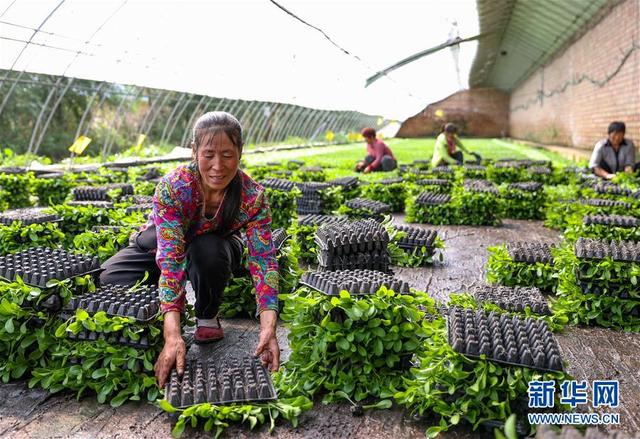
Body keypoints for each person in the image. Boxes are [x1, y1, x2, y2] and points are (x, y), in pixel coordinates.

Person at [99, 111, 280, 387]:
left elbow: (263, 261)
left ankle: (207, 314)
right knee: (109, 279)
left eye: (228, 155)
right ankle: (166, 305)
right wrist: (172, 332)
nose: (218, 166)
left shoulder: (252, 196)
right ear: (194, 151)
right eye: (208, 154)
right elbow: (170, 259)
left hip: (214, 249)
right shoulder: (174, 187)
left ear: (240, 152)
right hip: (164, 245)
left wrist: (269, 326)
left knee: (207, 248)